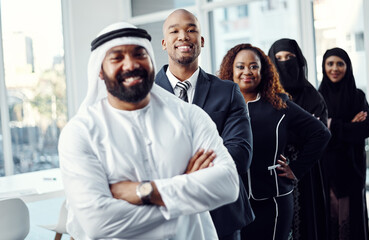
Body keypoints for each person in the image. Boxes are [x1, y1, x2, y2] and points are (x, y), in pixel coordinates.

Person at [58, 22, 240, 240]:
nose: (131, 64)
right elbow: (99, 223)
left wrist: (146, 191)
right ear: (99, 70)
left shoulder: (190, 116)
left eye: (139, 54)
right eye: (117, 58)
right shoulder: (80, 133)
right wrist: (185, 194)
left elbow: (228, 184)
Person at [155, 9, 254, 240]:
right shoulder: (147, 94)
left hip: (222, 215)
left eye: (191, 30)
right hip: (165, 217)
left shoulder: (228, 91)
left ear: (201, 40)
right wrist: (195, 170)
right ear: (164, 43)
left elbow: (240, 154)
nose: (183, 36)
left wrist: (181, 174)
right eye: (175, 31)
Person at [218, 43, 331, 240]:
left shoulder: (279, 104)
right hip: (232, 200)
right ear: (231, 70)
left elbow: (321, 133)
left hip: (273, 202)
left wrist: (295, 168)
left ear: (263, 71)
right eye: (240, 66)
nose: (247, 72)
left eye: (254, 66)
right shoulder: (220, 105)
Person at [268, 38, 329, 240]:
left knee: (308, 222)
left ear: (299, 61)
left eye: (289, 58)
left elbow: (318, 136)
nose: (284, 63)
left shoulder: (313, 97)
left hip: (307, 171)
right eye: (278, 59)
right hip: (273, 172)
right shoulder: (269, 97)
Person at [318, 47, 369, 240]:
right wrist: (348, 126)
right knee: (330, 217)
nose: (335, 68)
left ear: (347, 67)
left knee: (352, 218)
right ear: (323, 67)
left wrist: (332, 125)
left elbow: (365, 129)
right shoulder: (318, 97)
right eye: (330, 63)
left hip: (352, 167)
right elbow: (318, 133)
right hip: (326, 169)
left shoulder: (358, 96)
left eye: (340, 63)